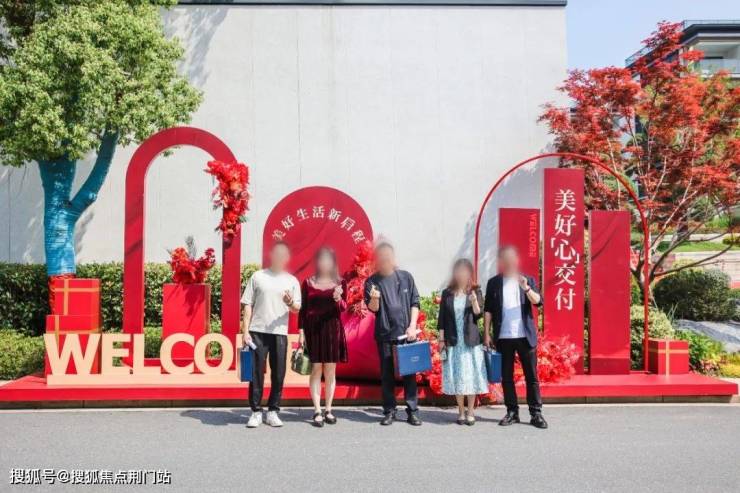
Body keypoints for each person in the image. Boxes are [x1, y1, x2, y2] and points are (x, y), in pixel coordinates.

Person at [483, 245, 547, 429]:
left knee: (531, 376)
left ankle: (536, 413)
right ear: (501, 262)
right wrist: (486, 333)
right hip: (503, 337)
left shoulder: (527, 280)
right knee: (507, 377)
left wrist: (526, 288)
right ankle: (512, 412)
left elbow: (538, 302)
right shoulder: (494, 283)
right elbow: (488, 310)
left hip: (525, 336)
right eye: (505, 259)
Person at [241, 241, 301, 428]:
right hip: (257, 332)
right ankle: (256, 412)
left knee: (279, 373)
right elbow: (247, 304)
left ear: (287, 258)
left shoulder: (291, 280)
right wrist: (245, 330)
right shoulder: (257, 276)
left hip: (279, 333)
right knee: (256, 373)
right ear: (271, 255)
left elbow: (297, 308)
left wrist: (290, 303)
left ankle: (273, 411)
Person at [364, 241, 422, 426]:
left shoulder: (405, 277)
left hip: (406, 334)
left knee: (409, 374)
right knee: (387, 375)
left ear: (393, 257)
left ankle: (413, 411)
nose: (385, 260)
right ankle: (389, 411)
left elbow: (415, 302)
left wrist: (412, 326)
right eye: (381, 257)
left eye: (388, 256)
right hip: (385, 334)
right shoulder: (372, 282)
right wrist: (374, 298)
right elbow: (373, 309)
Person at [297, 247, 349, 427]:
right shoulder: (308, 282)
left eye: (328, 259)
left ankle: (328, 409)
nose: (325, 263)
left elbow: (343, 308)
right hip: (313, 330)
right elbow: (303, 309)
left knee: (330, 370)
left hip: (332, 329)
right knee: (316, 369)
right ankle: (317, 410)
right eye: (321, 259)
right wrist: (301, 331)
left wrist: (338, 298)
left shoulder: (340, 282)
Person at [437, 259, 488, 425]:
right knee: (458, 378)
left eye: (465, 271)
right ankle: (460, 411)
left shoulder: (475, 291)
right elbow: (442, 318)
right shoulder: (447, 293)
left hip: (470, 343)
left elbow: (478, 315)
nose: (462, 274)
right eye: (459, 271)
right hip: (454, 342)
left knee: (471, 377)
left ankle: (471, 411)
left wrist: (473, 301)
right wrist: (441, 339)